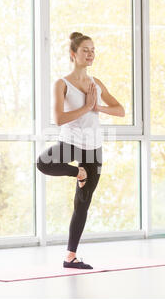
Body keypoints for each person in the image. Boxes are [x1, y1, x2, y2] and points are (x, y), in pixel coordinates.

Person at [36, 32, 125, 269]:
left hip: (93, 148)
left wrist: (98, 107)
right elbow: (59, 118)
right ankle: (79, 173)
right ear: (73, 54)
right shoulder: (62, 84)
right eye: (85, 50)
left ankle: (70, 257)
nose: (91, 54)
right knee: (43, 163)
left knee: (82, 203)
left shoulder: (96, 83)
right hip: (70, 142)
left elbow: (120, 110)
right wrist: (86, 107)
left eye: (93, 50)